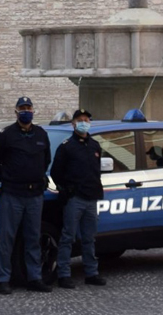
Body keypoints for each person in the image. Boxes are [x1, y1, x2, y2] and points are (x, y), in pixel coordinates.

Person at [0, 96, 53, 295]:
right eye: (22, 108)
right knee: (8, 239)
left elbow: (46, 160)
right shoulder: (6, 136)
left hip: (34, 195)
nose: (26, 111)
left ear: (33, 110)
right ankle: (3, 279)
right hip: (13, 194)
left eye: (29, 107)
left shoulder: (41, 134)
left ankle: (34, 277)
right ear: (16, 112)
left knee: (33, 238)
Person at [50, 109, 107, 289]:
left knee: (90, 238)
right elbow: (56, 172)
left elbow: (96, 171)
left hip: (92, 198)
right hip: (75, 199)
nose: (84, 122)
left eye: (86, 119)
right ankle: (64, 274)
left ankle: (91, 273)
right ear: (74, 124)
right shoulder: (66, 147)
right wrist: (66, 189)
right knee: (68, 237)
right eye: (80, 120)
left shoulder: (95, 146)